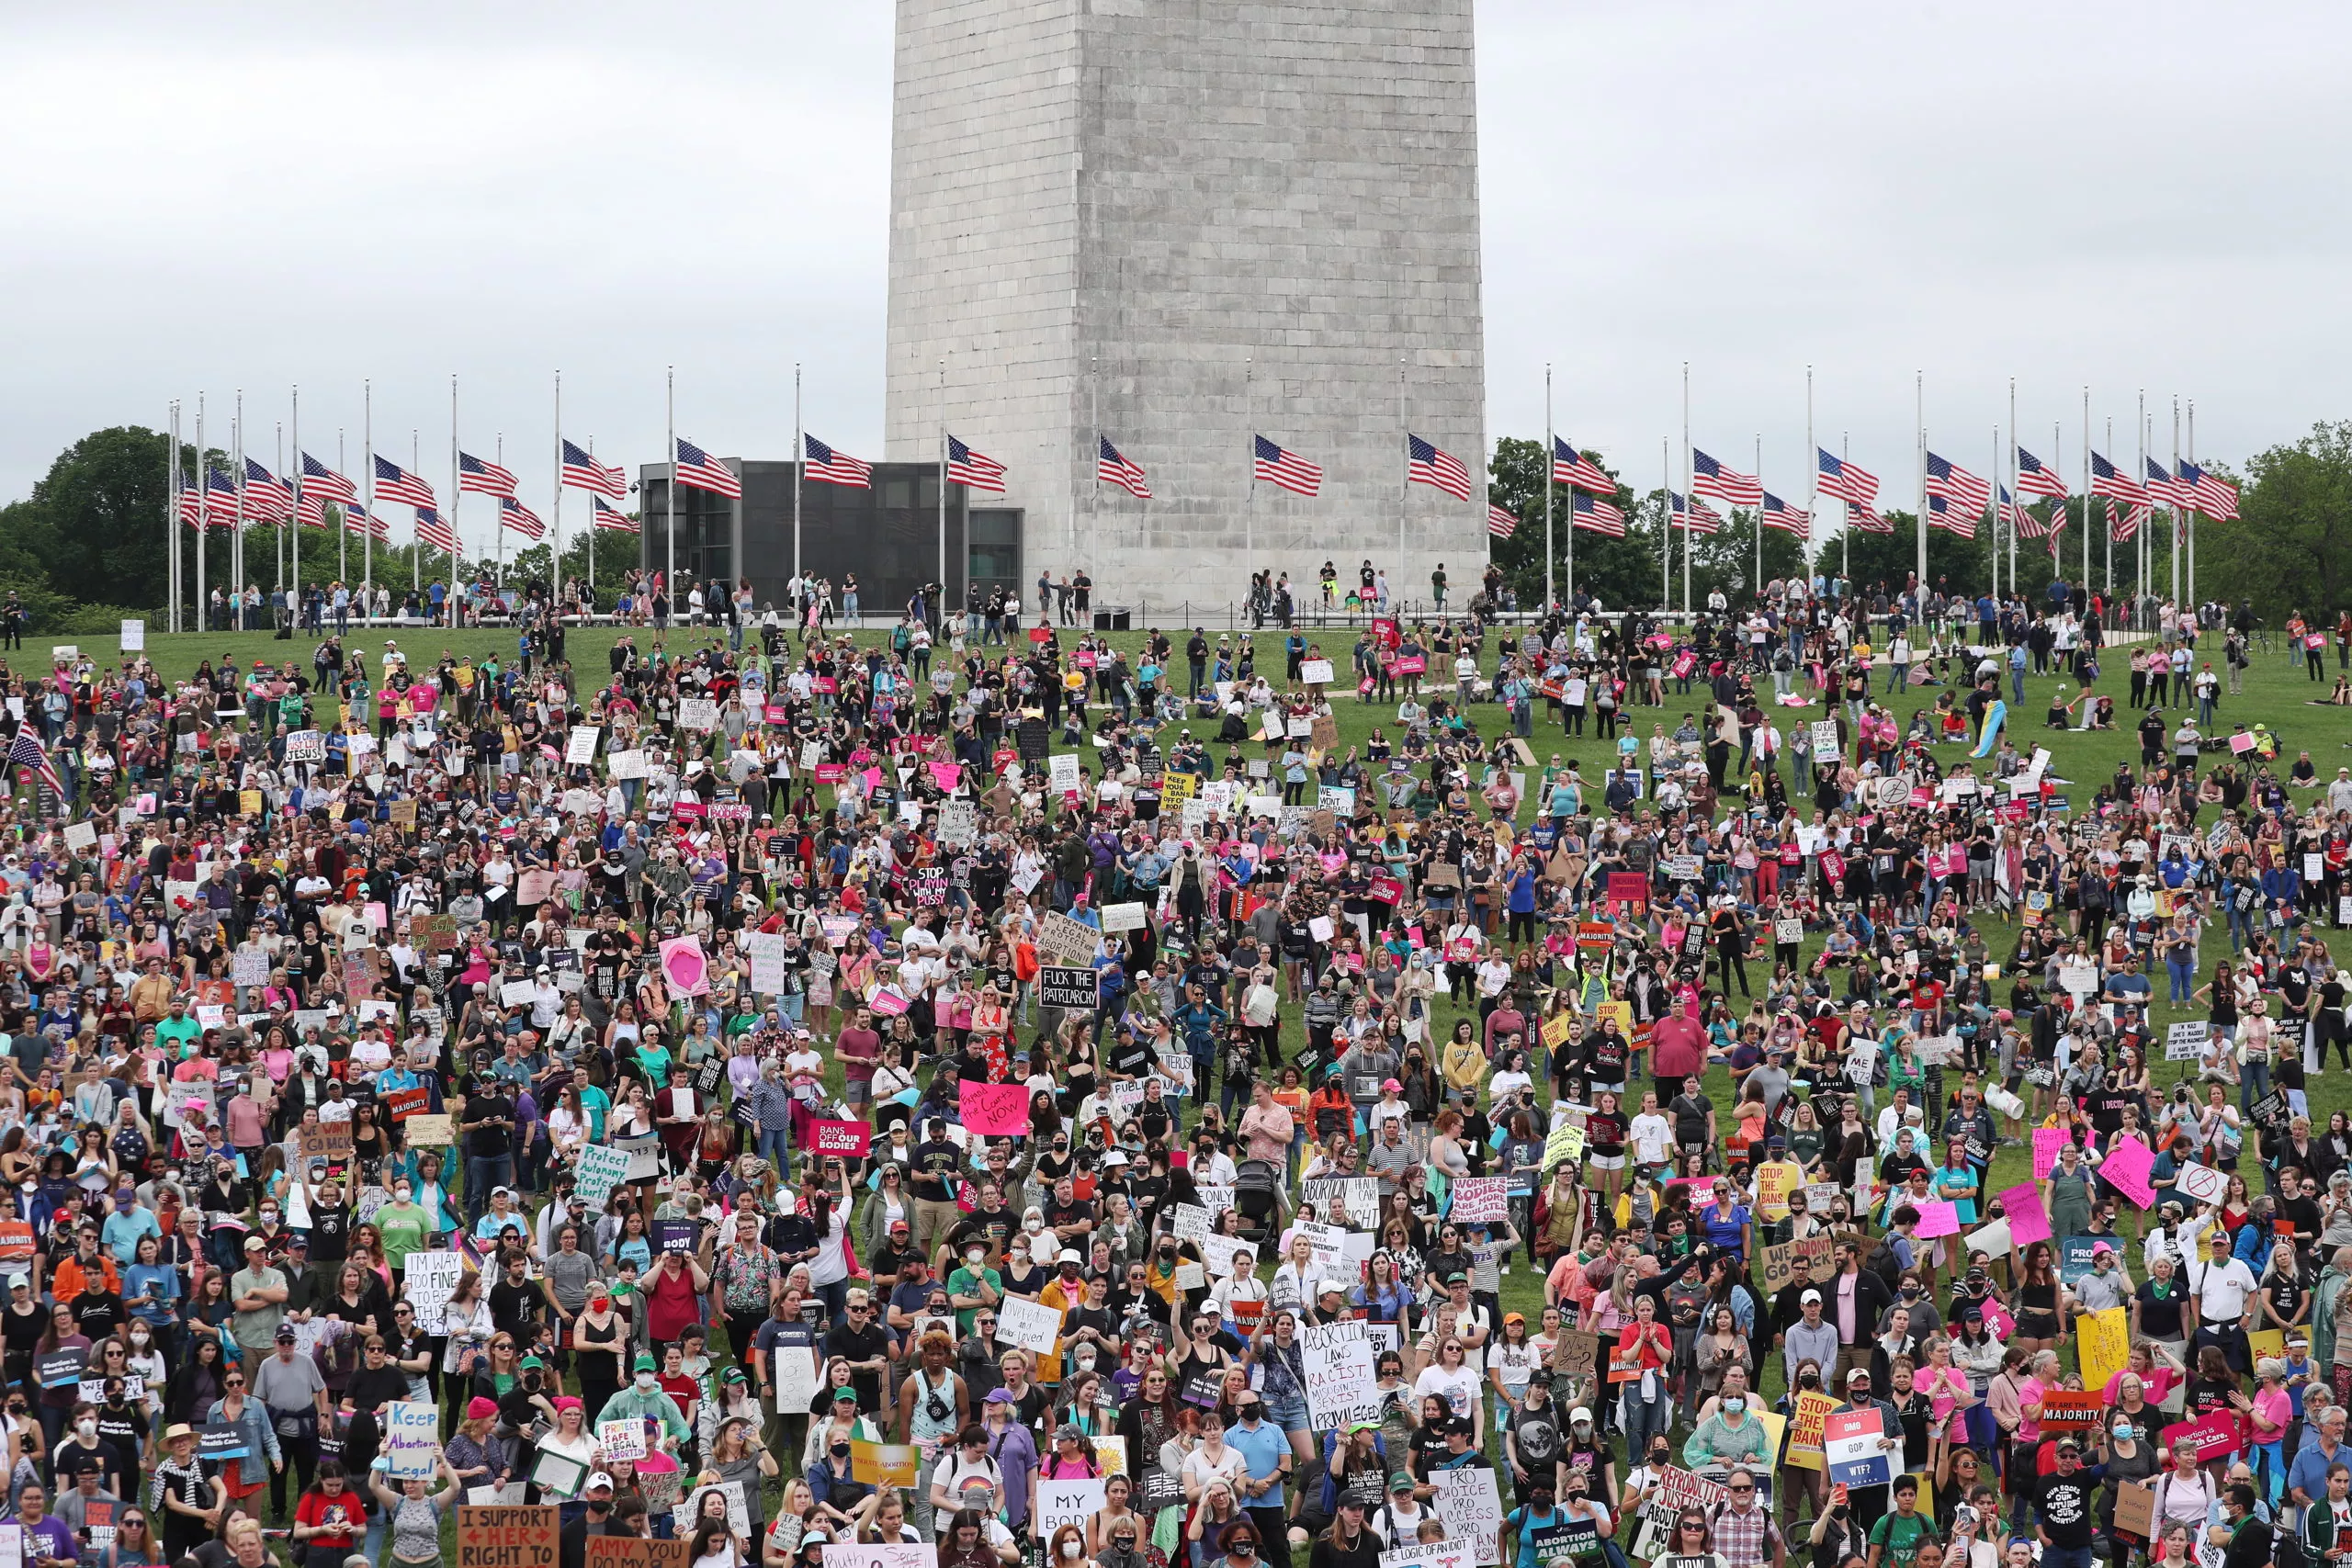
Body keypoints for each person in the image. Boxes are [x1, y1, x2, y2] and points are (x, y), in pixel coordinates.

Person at [368, 1450, 462, 1568]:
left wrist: (443, 1461)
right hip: (399, 1563)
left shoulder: (434, 1503)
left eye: (413, 1481)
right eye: (405, 1482)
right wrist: (382, 1456)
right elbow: (374, 1486)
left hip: (430, 1564)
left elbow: (455, 1487)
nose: (409, 1486)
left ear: (424, 1481)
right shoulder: (397, 1502)